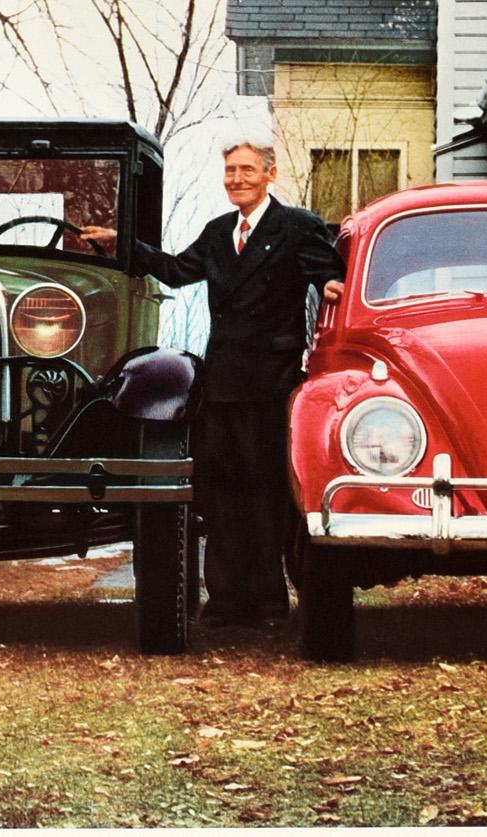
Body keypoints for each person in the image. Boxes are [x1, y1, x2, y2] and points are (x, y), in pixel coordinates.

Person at [82, 134, 344, 629]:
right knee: (222, 494)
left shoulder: (297, 227)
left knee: (267, 495)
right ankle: (224, 602)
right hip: (221, 382)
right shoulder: (220, 231)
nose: (237, 179)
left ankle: (268, 603)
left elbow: (329, 275)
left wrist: (335, 283)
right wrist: (124, 246)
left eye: (247, 170)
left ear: (270, 174)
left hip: (273, 384)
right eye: (230, 171)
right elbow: (178, 271)